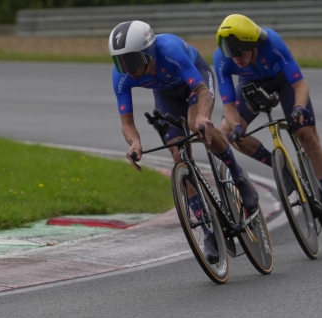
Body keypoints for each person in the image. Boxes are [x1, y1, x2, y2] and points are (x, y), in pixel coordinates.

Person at [109, 20, 260, 263]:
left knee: (196, 126)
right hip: (166, 94)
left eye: (132, 60)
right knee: (179, 155)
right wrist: (135, 142)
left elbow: (202, 92)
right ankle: (209, 230)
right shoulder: (122, 76)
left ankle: (238, 175)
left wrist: (202, 116)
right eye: (120, 61)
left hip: (195, 81)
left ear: (148, 53)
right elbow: (127, 122)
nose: (127, 68)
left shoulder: (169, 51)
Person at [214, 14, 322, 235]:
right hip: (251, 85)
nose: (236, 58)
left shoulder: (272, 43)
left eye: (240, 52)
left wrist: (299, 107)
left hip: (284, 83)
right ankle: (282, 170)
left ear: (253, 45)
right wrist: (237, 127)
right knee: (228, 130)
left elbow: (300, 84)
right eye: (231, 54)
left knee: (307, 136)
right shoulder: (222, 58)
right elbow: (228, 105)